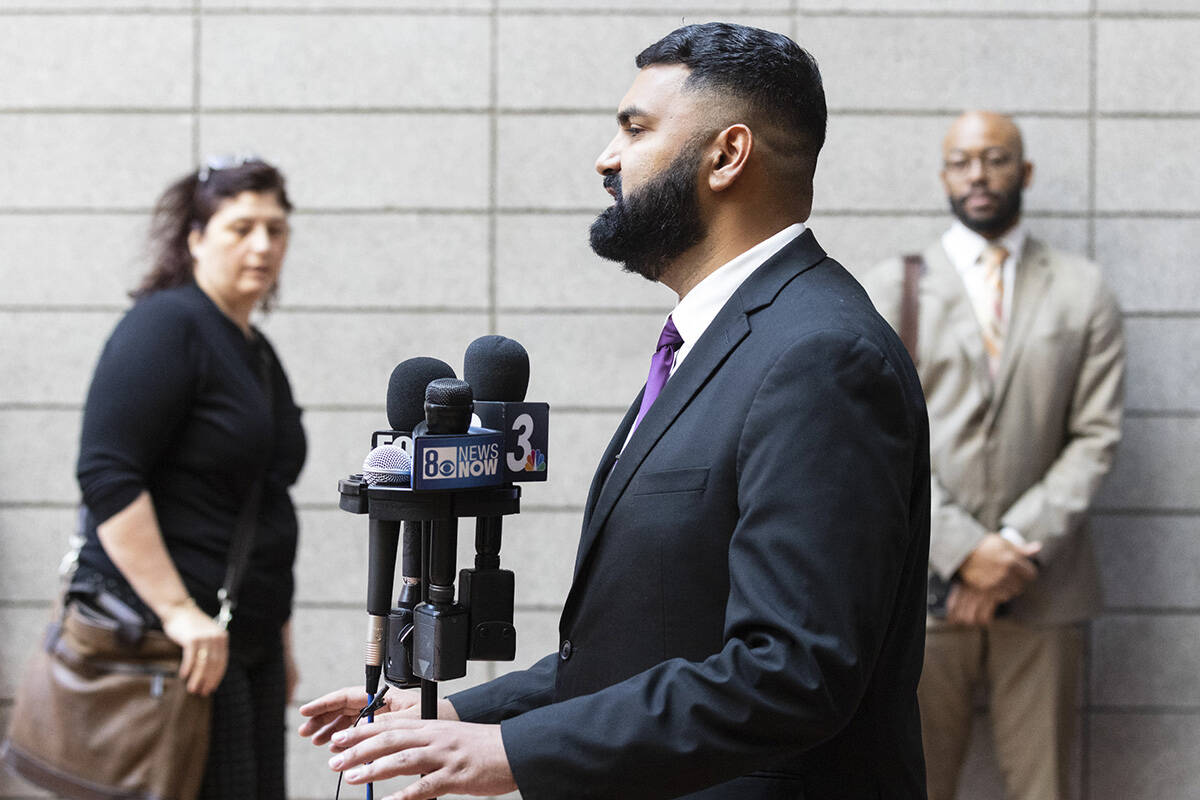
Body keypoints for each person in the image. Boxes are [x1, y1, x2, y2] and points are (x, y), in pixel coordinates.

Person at [300, 23, 930, 800]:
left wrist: (513, 755)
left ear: (727, 156)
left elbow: (791, 672)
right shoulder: (719, 341)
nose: (607, 157)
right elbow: (644, 644)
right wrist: (462, 712)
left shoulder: (821, 357)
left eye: (634, 129)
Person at [858, 111, 1125, 800]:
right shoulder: (896, 288)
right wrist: (962, 550)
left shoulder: (1081, 288)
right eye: (962, 160)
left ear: (1024, 172)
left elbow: (1095, 436)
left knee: (1046, 788)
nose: (979, 174)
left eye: (997, 158)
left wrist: (1008, 547)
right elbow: (874, 437)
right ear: (945, 174)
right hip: (920, 592)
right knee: (912, 783)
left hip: (1044, 589)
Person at [73, 155, 307, 799]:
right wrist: (179, 612)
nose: (263, 245)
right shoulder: (166, 325)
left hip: (242, 640)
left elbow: (259, 501)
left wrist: (278, 638)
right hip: (173, 646)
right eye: (241, 228)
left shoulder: (256, 352)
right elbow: (106, 472)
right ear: (196, 239)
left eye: (276, 228)